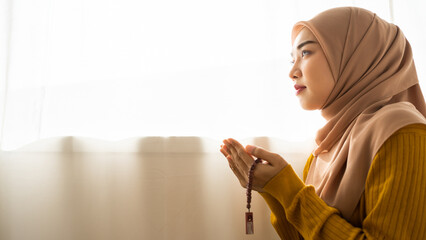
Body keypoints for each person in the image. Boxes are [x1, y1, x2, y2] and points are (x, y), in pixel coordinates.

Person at [220, 7, 426, 239]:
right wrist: (272, 188)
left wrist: (288, 190)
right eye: (292, 59)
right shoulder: (324, 150)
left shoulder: (404, 132)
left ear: (354, 56)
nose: (292, 72)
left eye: (305, 53)